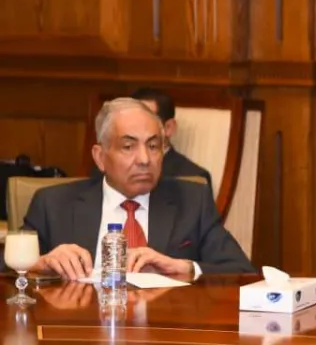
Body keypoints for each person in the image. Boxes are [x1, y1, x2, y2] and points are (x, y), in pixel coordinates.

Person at [24, 98, 255, 280]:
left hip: (166, 323)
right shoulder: (53, 204)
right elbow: (9, 267)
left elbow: (242, 272)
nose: (145, 159)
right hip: (81, 323)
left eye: (153, 146)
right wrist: (39, 264)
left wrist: (186, 268)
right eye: (128, 146)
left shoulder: (192, 201)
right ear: (100, 157)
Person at [90, 88, 213, 192]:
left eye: (147, 120)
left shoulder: (193, 179)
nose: (143, 160)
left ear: (169, 128)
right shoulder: (105, 166)